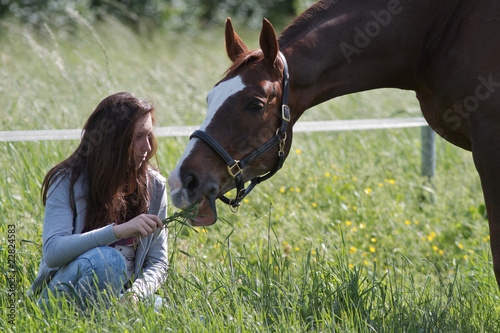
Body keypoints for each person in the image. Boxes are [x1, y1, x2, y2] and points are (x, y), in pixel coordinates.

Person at [29, 92, 168, 310]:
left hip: (124, 295)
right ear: (112, 142)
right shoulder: (66, 180)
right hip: (61, 294)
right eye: (137, 137)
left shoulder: (156, 186)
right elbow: (53, 252)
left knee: (162, 308)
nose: (148, 147)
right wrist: (117, 231)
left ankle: (114, 313)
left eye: (149, 136)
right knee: (107, 260)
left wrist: (136, 294)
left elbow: (158, 261)